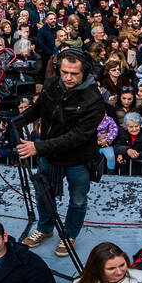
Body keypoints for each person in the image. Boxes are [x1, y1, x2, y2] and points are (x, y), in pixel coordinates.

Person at [18, 49, 107, 258]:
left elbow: (76, 137)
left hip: (78, 159)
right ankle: (45, 228)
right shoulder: (52, 83)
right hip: (50, 156)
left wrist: (38, 147)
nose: (68, 77)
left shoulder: (94, 100)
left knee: (77, 200)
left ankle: (69, 235)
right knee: (43, 194)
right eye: (65, 71)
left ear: (84, 72)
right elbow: (39, 108)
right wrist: (18, 120)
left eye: (74, 73)